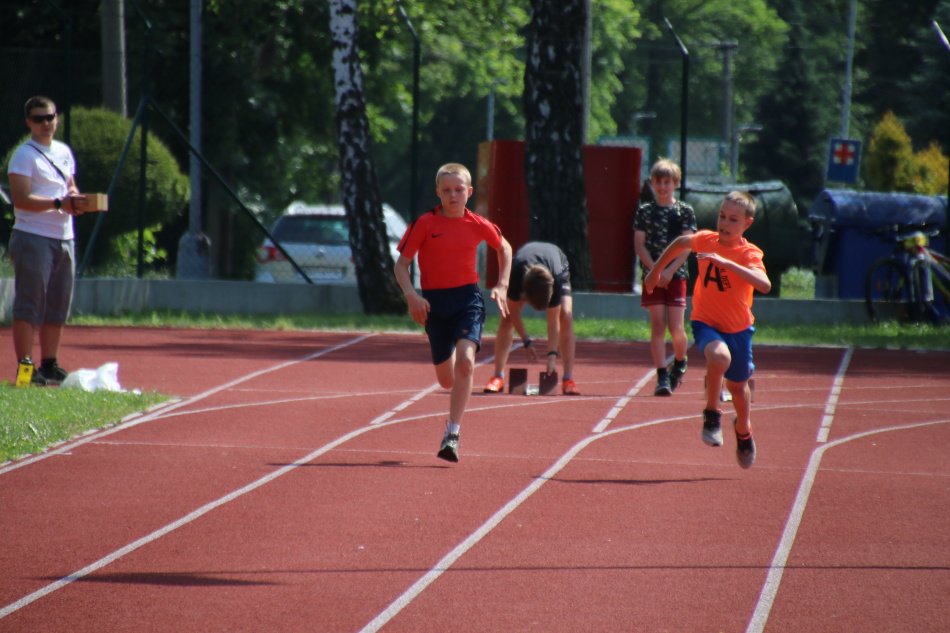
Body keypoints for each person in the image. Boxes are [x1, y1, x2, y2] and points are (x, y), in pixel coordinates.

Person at [394, 162, 512, 463]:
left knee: (466, 364)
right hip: (434, 304)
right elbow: (401, 265)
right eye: (447, 190)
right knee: (446, 380)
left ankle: (453, 434)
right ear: (438, 192)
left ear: (469, 192)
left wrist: (502, 284)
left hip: (467, 300)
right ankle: (452, 375)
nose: (453, 195)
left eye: (459, 190)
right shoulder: (425, 224)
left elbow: (505, 248)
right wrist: (412, 296)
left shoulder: (477, 224)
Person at [644, 190, 771, 469]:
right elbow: (681, 242)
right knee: (719, 357)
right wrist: (655, 272)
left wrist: (728, 263)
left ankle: (743, 431)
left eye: (733, 220)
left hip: (739, 329)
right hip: (706, 322)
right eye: (722, 216)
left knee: (738, 388)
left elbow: (764, 285)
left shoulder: (748, 253)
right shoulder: (706, 240)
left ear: (747, 224)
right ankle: (712, 414)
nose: (724, 223)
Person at [6, 95, 86, 386]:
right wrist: (58, 203)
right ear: (29, 122)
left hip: (64, 236)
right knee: (29, 305)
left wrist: (75, 198)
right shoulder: (23, 155)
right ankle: (25, 371)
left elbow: (69, 184)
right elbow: (21, 198)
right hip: (33, 236)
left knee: (58, 304)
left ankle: (49, 365)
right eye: (39, 119)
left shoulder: (63, 151)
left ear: (57, 118)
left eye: (50, 117)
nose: (46, 123)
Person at [482, 241, 580, 395]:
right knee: (506, 317)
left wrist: (552, 355)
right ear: (525, 295)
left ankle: (568, 378)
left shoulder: (555, 279)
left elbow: (553, 321)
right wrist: (526, 341)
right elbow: (513, 311)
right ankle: (497, 376)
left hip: (558, 262)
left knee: (566, 315)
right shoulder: (516, 273)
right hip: (524, 264)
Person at [633, 158, 696, 396]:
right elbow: (639, 244)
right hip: (652, 276)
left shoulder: (685, 211)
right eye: (658, 182)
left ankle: (680, 360)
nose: (662, 187)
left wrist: (669, 270)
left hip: (676, 275)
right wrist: (655, 270)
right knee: (658, 324)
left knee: (676, 327)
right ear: (652, 183)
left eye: (667, 182)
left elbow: (688, 245)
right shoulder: (645, 211)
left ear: (675, 183)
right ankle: (662, 375)